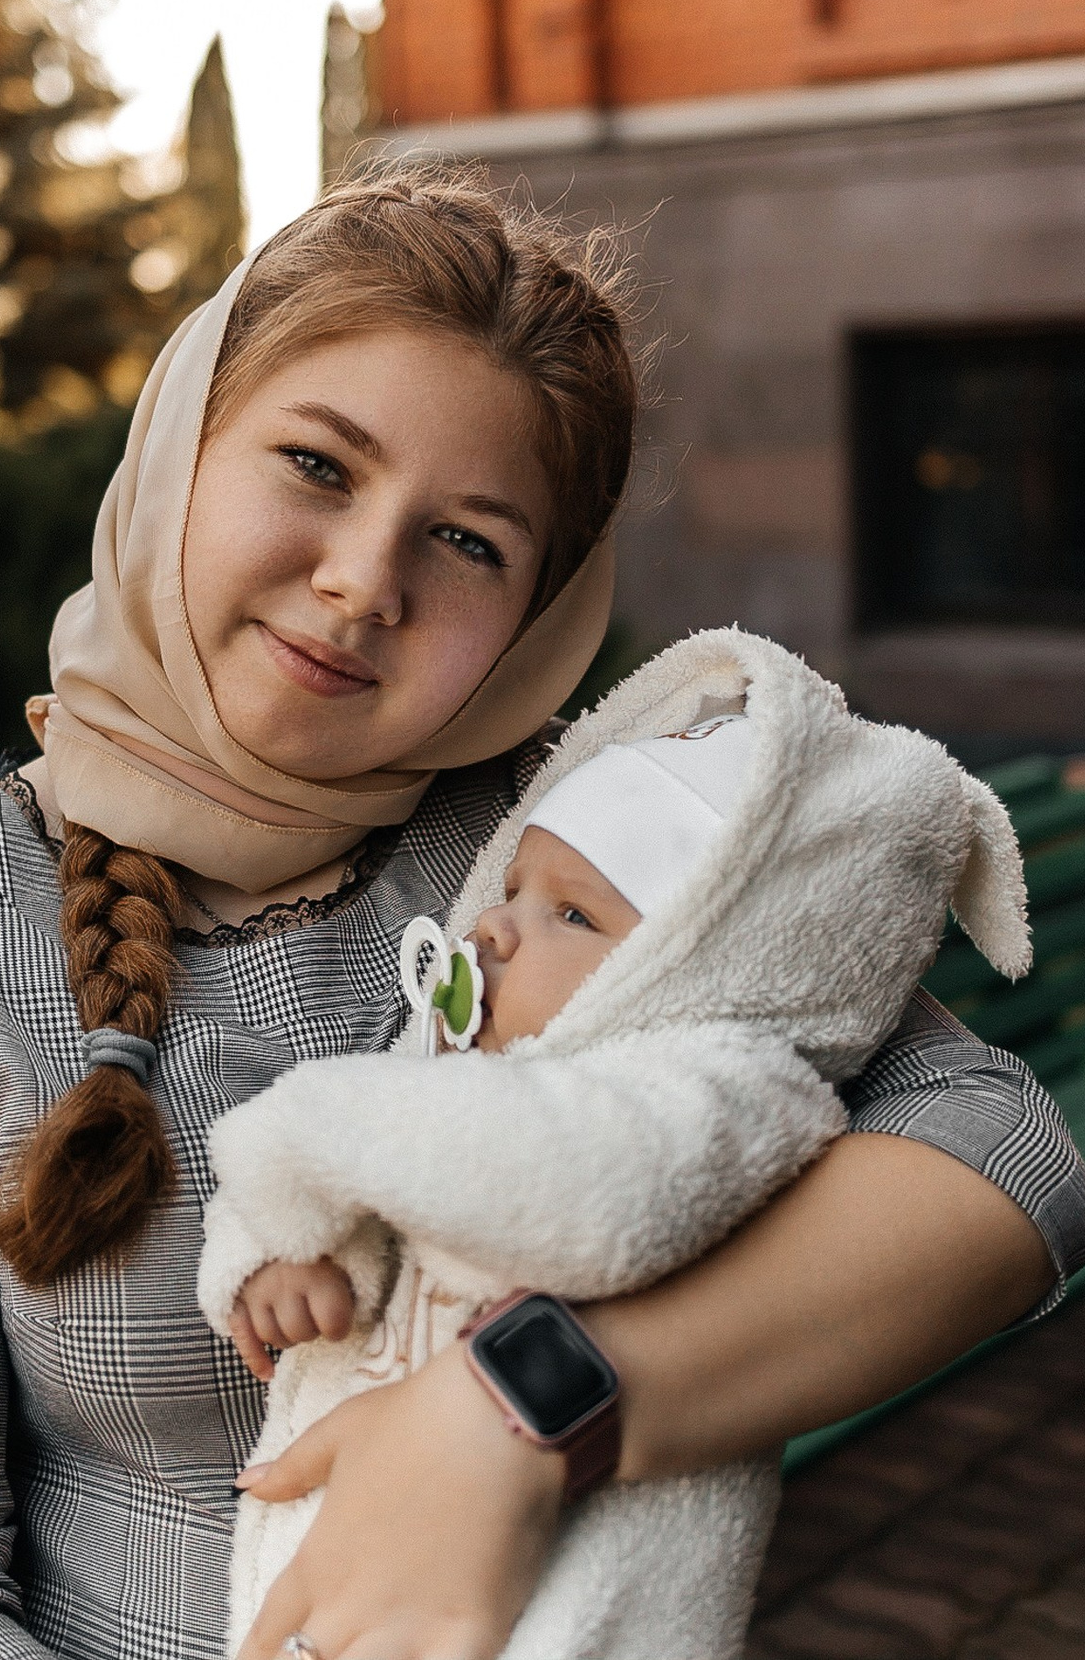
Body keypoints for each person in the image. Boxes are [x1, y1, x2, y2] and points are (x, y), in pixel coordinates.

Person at [0, 170, 1085, 1660]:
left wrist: (527, 1409)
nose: (362, 579)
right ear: (182, 450)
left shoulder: (571, 849)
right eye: (318, 465)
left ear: (538, 615)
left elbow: (1009, 1166)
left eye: (468, 543)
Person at [199, 631, 1033, 1659]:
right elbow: (408, 1187)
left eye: (571, 913)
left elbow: (577, 1199)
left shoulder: (728, 1088)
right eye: (511, 891)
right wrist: (285, 1247)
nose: (494, 931)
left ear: (698, 964)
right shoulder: (486, 1073)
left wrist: (298, 1140)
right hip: (366, 1578)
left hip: (577, 1604)